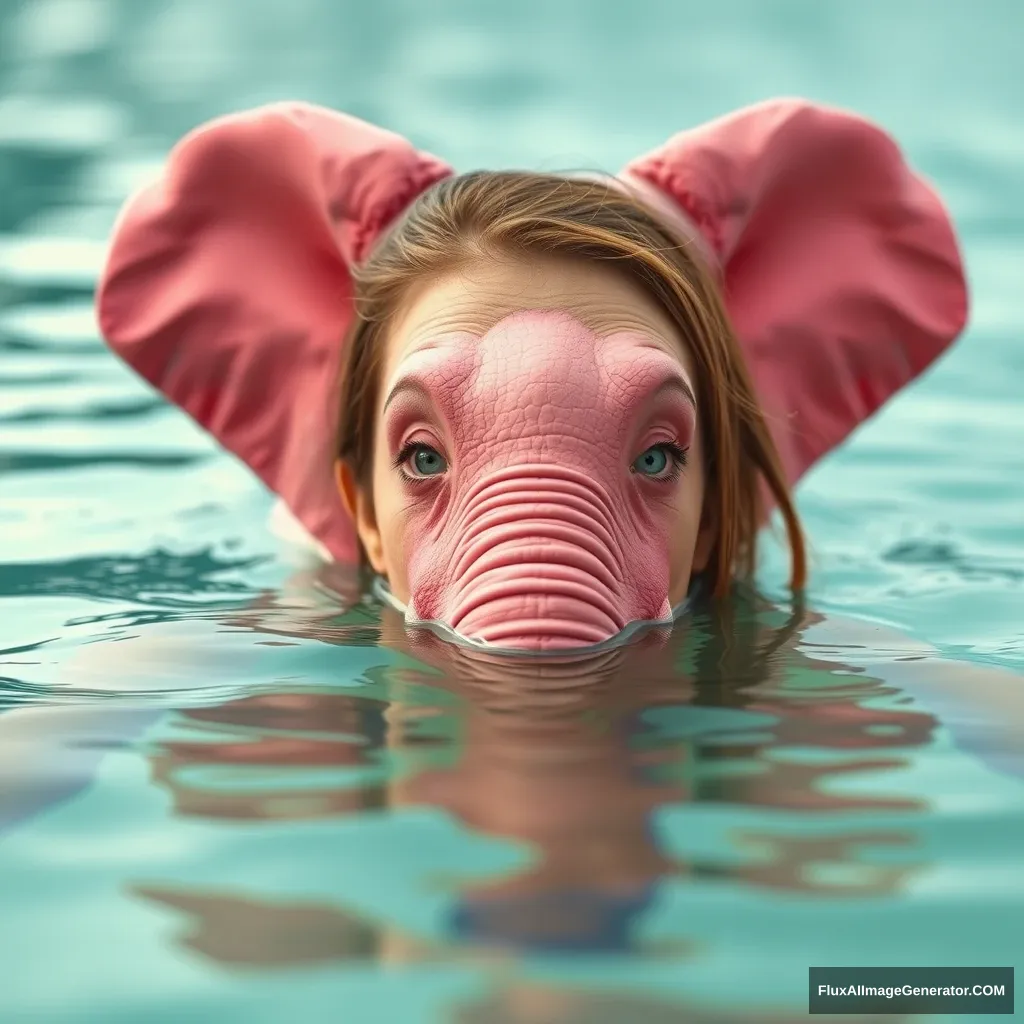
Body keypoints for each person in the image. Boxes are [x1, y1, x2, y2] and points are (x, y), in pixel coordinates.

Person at [96, 98, 968, 652]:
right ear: (359, 512)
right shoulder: (268, 635)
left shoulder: (794, 646)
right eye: (423, 459)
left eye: (658, 457)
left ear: (718, 513)